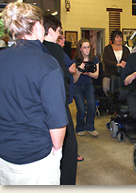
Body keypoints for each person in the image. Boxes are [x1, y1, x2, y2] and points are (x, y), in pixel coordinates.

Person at [0, 2, 67, 185]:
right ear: (37, 26)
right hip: (36, 158)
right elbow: (57, 120)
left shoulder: (2, 58)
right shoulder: (48, 64)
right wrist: (57, 150)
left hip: (4, 154)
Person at [43, 14, 78, 185]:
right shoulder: (54, 48)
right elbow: (62, 74)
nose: (60, 35)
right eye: (59, 31)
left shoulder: (38, 48)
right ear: (50, 30)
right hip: (57, 104)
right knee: (69, 147)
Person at [73, 38, 100, 137]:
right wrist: (79, 71)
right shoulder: (76, 60)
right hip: (77, 86)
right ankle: (79, 127)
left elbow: (96, 75)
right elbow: (74, 79)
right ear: (80, 49)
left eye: (88, 47)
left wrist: (88, 73)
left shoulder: (94, 59)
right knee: (81, 108)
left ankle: (90, 127)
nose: (87, 50)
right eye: (84, 48)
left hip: (88, 85)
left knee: (92, 105)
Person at [103, 30, 130, 95]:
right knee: (106, 88)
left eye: (120, 37)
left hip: (122, 74)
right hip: (109, 74)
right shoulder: (107, 48)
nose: (119, 39)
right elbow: (106, 61)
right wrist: (117, 64)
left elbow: (129, 60)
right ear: (113, 38)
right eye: (117, 37)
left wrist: (125, 63)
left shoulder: (125, 49)